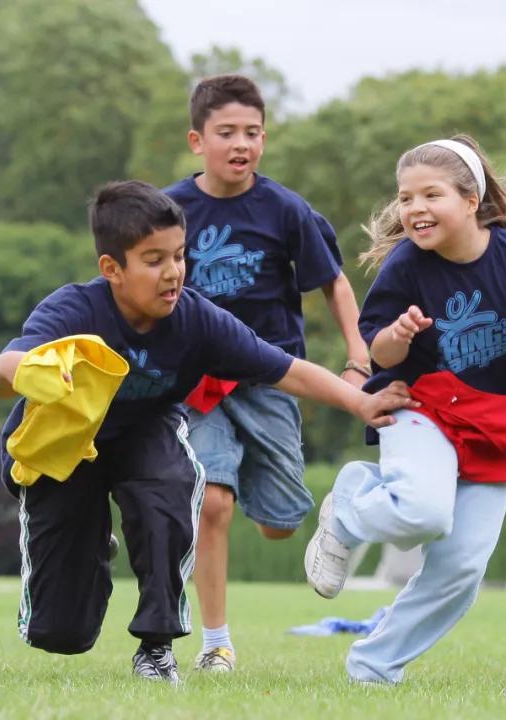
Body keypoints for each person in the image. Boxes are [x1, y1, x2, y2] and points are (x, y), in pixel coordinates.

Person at [0, 181, 413, 684]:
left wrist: (361, 400)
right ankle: (93, 542)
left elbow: (287, 369)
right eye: (153, 260)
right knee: (61, 635)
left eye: (179, 256)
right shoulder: (75, 309)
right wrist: (25, 370)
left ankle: (156, 647)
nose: (173, 273)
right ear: (112, 270)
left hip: (146, 433)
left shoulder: (196, 318)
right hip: (66, 449)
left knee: (171, 483)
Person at [303, 135, 506, 684]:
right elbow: (377, 349)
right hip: (420, 406)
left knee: (462, 567)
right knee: (425, 512)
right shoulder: (406, 265)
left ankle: (374, 666)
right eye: (405, 198)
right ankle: (352, 509)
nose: (414, 209)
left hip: (495, 420)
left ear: (471, 200)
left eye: (431, 195)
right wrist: (399, 336)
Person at [164, 74, 371, 673]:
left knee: (280, 526)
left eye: (253, 133)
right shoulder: (171, 208)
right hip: (197, 385)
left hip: (271, 378)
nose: (241, 144)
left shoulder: (285, 210)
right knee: (214, 503)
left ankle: (345, 509)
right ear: (196, 139)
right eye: (226, 132)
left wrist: (358, 356)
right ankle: (215, 645)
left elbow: (333, 281)